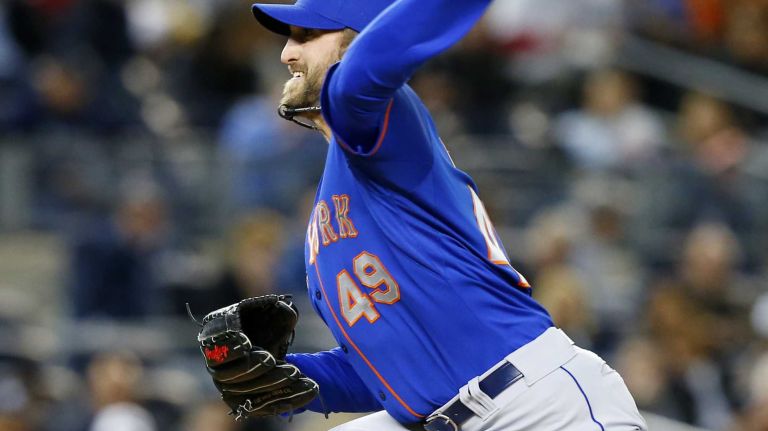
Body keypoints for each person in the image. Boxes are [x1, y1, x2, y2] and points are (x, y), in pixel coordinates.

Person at [246, 0, 647, 430]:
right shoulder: (336, 190)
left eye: (307, 36)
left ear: (356, 42)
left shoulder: (377, 119)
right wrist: (281, 376)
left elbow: (362, 73)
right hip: (460, 411)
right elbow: (393, 369)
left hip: (538, 406)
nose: (286, 53)